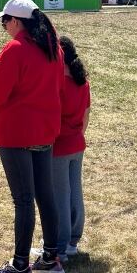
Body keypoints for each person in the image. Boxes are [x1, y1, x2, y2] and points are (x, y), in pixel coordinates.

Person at [0, 0, 65, 273]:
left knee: (23, 200)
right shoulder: (52, 47)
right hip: (45, 130)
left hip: (17, 133)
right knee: (45, 194)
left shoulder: (15, 49)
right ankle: (52, 256)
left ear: (15, 21)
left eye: (5, 22)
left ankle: (20, 266)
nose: (4, 27)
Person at [50, 35, 91, 261]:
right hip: (77, 143)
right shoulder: (82, 81)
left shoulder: (57, 84)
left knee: (60, 197)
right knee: (75, 193)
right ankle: (73, 240)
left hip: (59, 146)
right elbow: (86, 114)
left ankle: (60, 246)